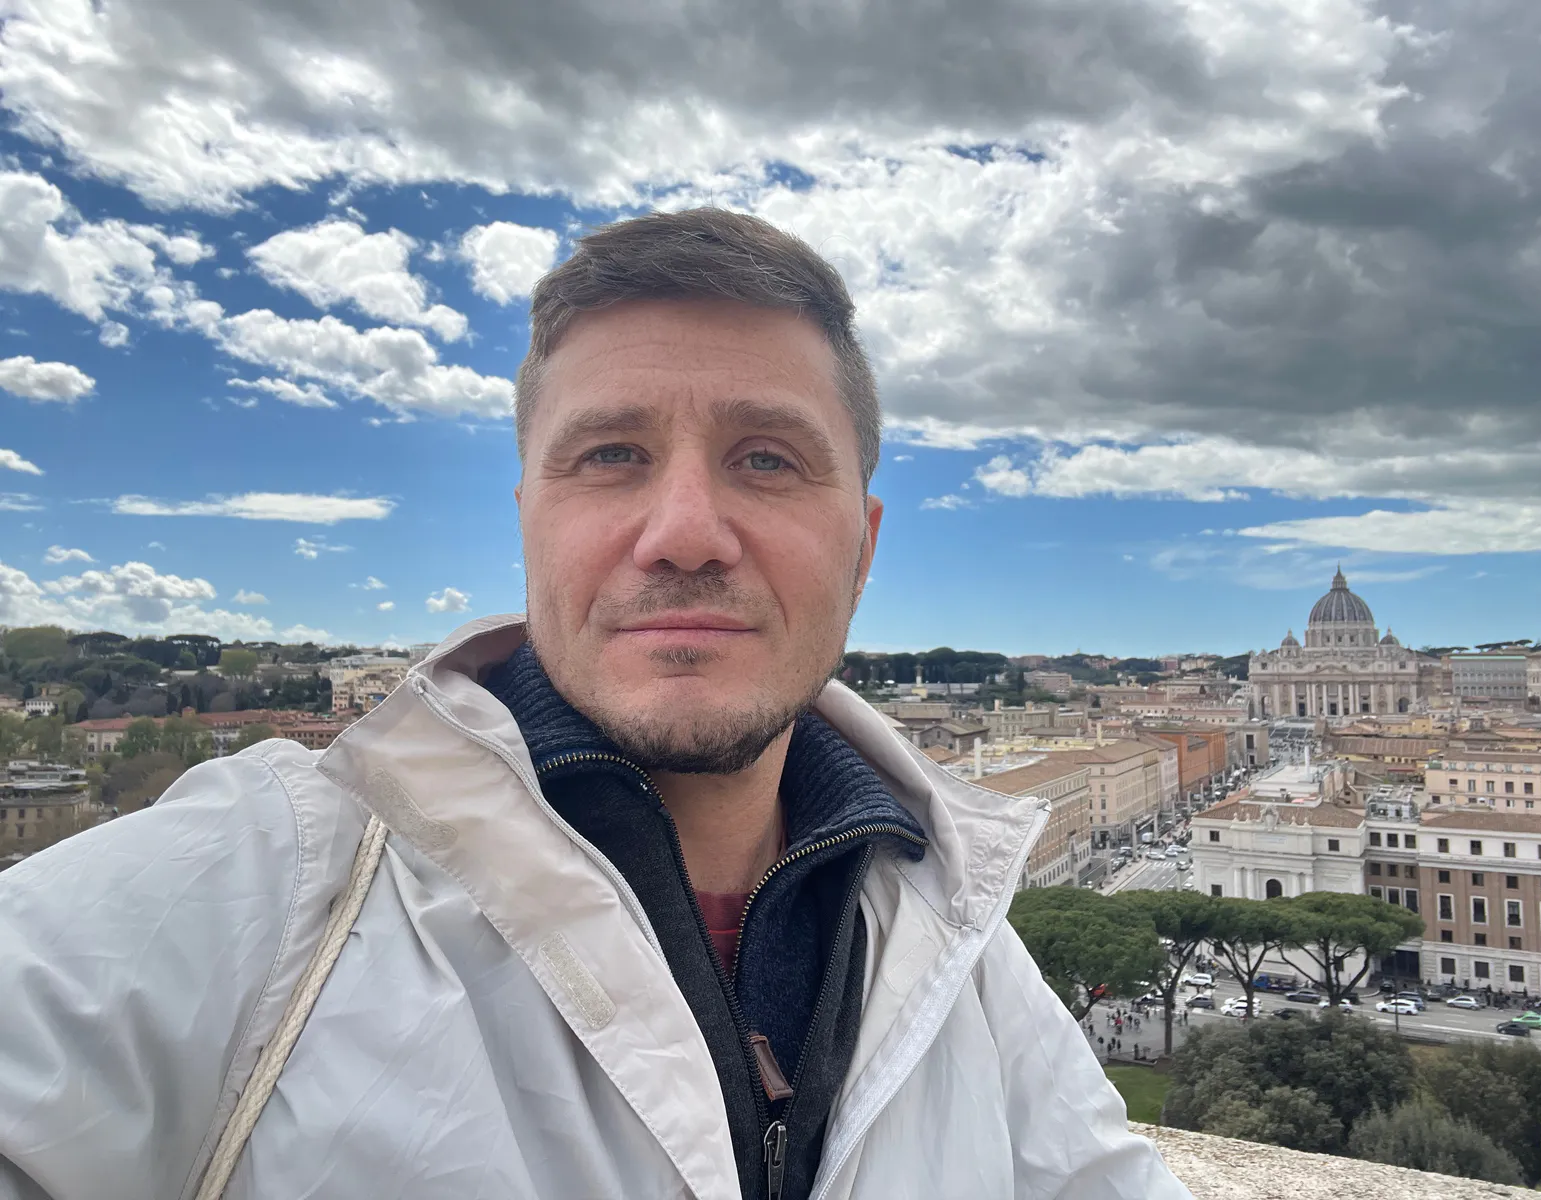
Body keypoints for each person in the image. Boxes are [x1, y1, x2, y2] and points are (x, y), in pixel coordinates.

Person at [0, 209, 1189, 1200]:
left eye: (767, 458)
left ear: (863, 545)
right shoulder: (255, 889)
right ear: (530, 518)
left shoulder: (960, 943)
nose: (682, 535)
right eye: (612, 455)